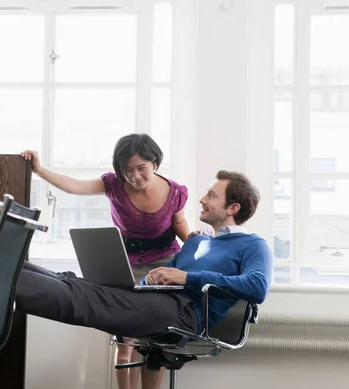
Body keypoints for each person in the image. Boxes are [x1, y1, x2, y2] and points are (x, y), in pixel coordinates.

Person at [15, 170, 273, 389]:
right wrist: (146, 280)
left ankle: (2, 281)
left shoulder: (253, 245)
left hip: (184, 315)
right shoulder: (197, 240)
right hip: (156, 299)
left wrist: (189, 277)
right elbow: (167, 272)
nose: (202, 200)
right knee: (76, 282)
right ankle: (2, 263)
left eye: (212, 196)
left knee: (85, 300)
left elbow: (257, 287)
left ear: (233, 208)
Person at [22, 133, 190, 389]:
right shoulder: (113, 184)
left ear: (155, 163)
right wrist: (40, 170)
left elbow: (179, 223)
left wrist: (198, 245)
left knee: (154, 345)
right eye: (127, 170)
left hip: (163, 267)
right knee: (125, 343)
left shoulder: (175, 191)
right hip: (124, 266)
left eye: (141, 168)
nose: (135, 176)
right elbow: (74, 186)